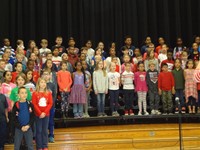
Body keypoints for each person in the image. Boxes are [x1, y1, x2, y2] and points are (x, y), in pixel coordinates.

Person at [32, 78, 53, 150]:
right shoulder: (35, 93)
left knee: (44, 130)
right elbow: (34, 104)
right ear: (38, 84)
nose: (43, 84)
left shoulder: (48, 93)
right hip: (38, 115)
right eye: (41, 82)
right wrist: (40, 113)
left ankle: (45, 146)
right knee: (39, 130)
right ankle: (39, 146)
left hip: (46, 115)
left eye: (44, 82)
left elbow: (50, 103)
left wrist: (44, 112)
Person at [41, 70, 57, 143]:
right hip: (42, 107)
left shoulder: (52, 85)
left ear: (50, 76)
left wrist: (50, 105)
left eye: (47, 74)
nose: (46, 76)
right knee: (43, 122)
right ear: (42, 76)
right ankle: (44, 136)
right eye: (44, 74)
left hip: (50, 107)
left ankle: (51, 135)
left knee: (50, 121)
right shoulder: (40, 85)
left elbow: (54, 96)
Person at [1, 71, 16, 143]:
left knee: (12, 124)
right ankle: (6, 138)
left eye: (10, 75)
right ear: (4, 77)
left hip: (13, 108)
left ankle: (12, 138)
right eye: (7, 75)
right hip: (6, 109)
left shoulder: (14, 86)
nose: (9, 76)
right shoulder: (2, 86)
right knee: (6, 124)